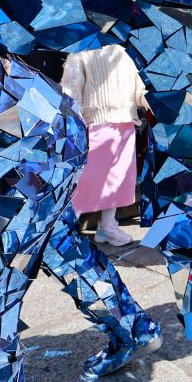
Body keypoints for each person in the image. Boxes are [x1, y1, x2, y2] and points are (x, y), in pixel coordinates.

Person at [61, 39, 148, 250]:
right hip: (96, 123)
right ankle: (63, 230)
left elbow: (138, 87)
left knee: (118, 178)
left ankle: (107, 226)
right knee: (88, 179)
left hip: (125, 121)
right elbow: (70, 92)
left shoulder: (123, 53)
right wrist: (75, 125)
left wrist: (151, 103)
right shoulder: (79, 54)